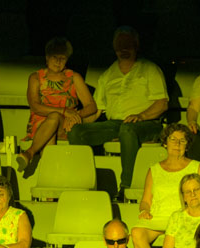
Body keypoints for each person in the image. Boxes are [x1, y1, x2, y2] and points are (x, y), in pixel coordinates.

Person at [68, 27, 168, 191]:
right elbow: (97, 111)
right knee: (77, 132)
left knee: (127, 130)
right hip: (116, 123)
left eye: (128, 44)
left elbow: (162, 103)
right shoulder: (108, 75)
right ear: (114, 47)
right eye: (120, 44)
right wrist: (76, 121)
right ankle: (83, 183)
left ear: (136, 45)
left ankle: (126, 186)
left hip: (146, 122)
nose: (124, 48)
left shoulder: (150, 69)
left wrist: (141, 116)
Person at [18, 37, 95, 178]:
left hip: (64, 125)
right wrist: (64, 111)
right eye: (55, 57)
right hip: (40, 124)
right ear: (47, 57)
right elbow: (35, 106)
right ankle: (50, 179)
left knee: (54, 119)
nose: (58, 61)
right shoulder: (35, 77)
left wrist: (75, 116)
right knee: (52, 125)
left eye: (62, 58)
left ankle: (30, 153)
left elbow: (91, 106)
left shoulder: (74, 77)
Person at [134, 123, 200, 248]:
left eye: (182, 140)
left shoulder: (196, 167)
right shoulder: (154, 170)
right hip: (158, 218)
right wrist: (144, 210)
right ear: (165, 143)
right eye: (173, 139)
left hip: (184, 218)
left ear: (187, 145)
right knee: (136, 232)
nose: (177, 144)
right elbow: (145, 201)